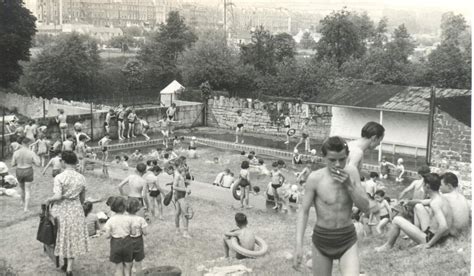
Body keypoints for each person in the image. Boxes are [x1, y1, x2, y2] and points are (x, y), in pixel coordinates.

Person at [294, 136, 370, 275]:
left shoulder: (352, 173)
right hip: (322, 239)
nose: (337, 164)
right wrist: (298, 245)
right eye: (332, 160)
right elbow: (303, 212)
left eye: (342, 159)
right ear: (324, 158)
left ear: (347, 156)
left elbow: (366, 208)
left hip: (347, 238)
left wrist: (350, 185)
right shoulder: (315, 178)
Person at [375, 173, 454, 251]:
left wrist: (428, 244)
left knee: (396, 220)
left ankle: (388, 246)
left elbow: (444, 226)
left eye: (423, 185)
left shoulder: (435, 204)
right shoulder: (440, 198)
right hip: (440, 237)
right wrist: (408, 202)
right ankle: (415, 235)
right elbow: (422, 201)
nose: (422, 187)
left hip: (431, 239)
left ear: (427, 186)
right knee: (418, 206)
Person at [46, 151, 89, 276]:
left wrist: (49, 199)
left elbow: (58, 196)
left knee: (61, 234)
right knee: (72, 236)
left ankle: (64, 263)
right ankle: (69, 266)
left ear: (63, 162)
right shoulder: (81, 177)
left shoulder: (59, 177)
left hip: (62, 209)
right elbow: (82, 199)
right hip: (75, 208)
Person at [103, 196, 133, 276]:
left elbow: (107, 236)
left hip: (116, 244)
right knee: (128, 266)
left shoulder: (110, 220)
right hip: (128, 243)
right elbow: (133, 232)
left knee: (118, 268)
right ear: (125, 207)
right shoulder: (129, 219)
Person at [12, 137, 41, 212]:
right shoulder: (31, 152)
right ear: (28, 144)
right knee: (27, 190)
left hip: (19, 170)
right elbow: (38, 164)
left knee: (22, 188)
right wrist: (34, 161)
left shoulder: (16, 152)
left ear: (22, 143)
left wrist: (18, 162)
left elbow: (12, 164)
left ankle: (23, 202)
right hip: (28, 170)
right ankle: (26, 208)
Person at [127, 198, 148, 276]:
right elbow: (145, 233)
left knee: (128, 264)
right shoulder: (140, 219)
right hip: (138, 242)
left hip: (126, 242)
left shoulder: (123, 219)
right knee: (138, 263)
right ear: (138, 208)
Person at [172, 164, 192, 238]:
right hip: (180, 196)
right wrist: (185, 189)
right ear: (182, 171)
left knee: (177, 213)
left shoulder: (181, 176)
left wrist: (186, 189)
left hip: (179, 195)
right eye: (185, 171)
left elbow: (180, 186)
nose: (186, 173)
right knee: (185, 214)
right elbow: (174, 186)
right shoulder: (178, 176)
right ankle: (185, 233)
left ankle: (177, 229)